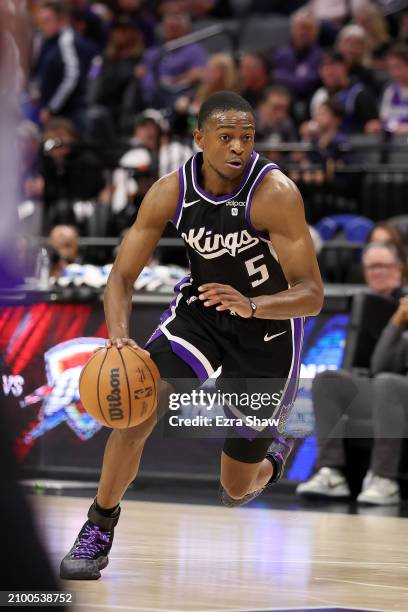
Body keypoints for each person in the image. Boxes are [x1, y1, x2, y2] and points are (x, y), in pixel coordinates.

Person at [60, 90, 323, 580]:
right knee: (136, 413)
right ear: (199, 139)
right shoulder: (170, 191)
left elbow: (311, 294)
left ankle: (275, 451)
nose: (239, 147)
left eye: (247, 137)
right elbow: (120, 278)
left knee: (235, 489)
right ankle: (98, 527)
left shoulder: (276, 193)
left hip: (267, 331)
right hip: (201, 313)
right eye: (226, 137)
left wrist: (254, 305)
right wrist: (119, 337)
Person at [296, 241, 404, 502]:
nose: (377, 272)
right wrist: (396, 323)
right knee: (327, 381)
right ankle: (331, 472)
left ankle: (384, 478)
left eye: (383, 265)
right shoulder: (367, 305)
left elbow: (383, 370)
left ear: (399, 268)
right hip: (383, 392)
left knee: (387, 382)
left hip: (397, 390)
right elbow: (380, 365)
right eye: (371, 267)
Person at [33, 1, 97, 132]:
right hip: (52, 112)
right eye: (41, 21)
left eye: (47, 20)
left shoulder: (67, 41)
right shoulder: (46, 41)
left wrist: (51, 108)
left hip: (70, 114)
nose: (42, 26)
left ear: (61, 21)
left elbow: (71, 77)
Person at [308, 50, 381, 134]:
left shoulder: (359, 95)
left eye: (332, 66)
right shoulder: (320, 95)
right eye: (324, 67)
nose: (328, 71)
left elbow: (373, 128)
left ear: (344, 67)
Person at [380, 43, 408, 134]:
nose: (394, 72)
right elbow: (385, 120)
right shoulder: (390, 92)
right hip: (395, 144)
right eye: (391, 68)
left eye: (398, 66)